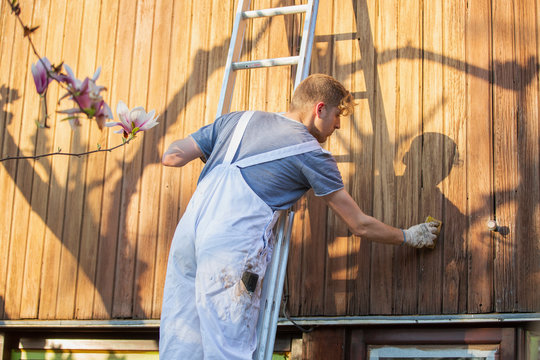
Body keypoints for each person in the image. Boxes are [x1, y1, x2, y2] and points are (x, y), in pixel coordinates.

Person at [160, 74, 439, 359]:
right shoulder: (311, 154)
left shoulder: (236, 120)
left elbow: (172, 157)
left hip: (187, 239)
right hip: (230, 250)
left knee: (181, 342)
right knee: (228, 349)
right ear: (319, 109)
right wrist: (407, 236)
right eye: (336, 116)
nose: (338, 125)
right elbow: (360, 224)